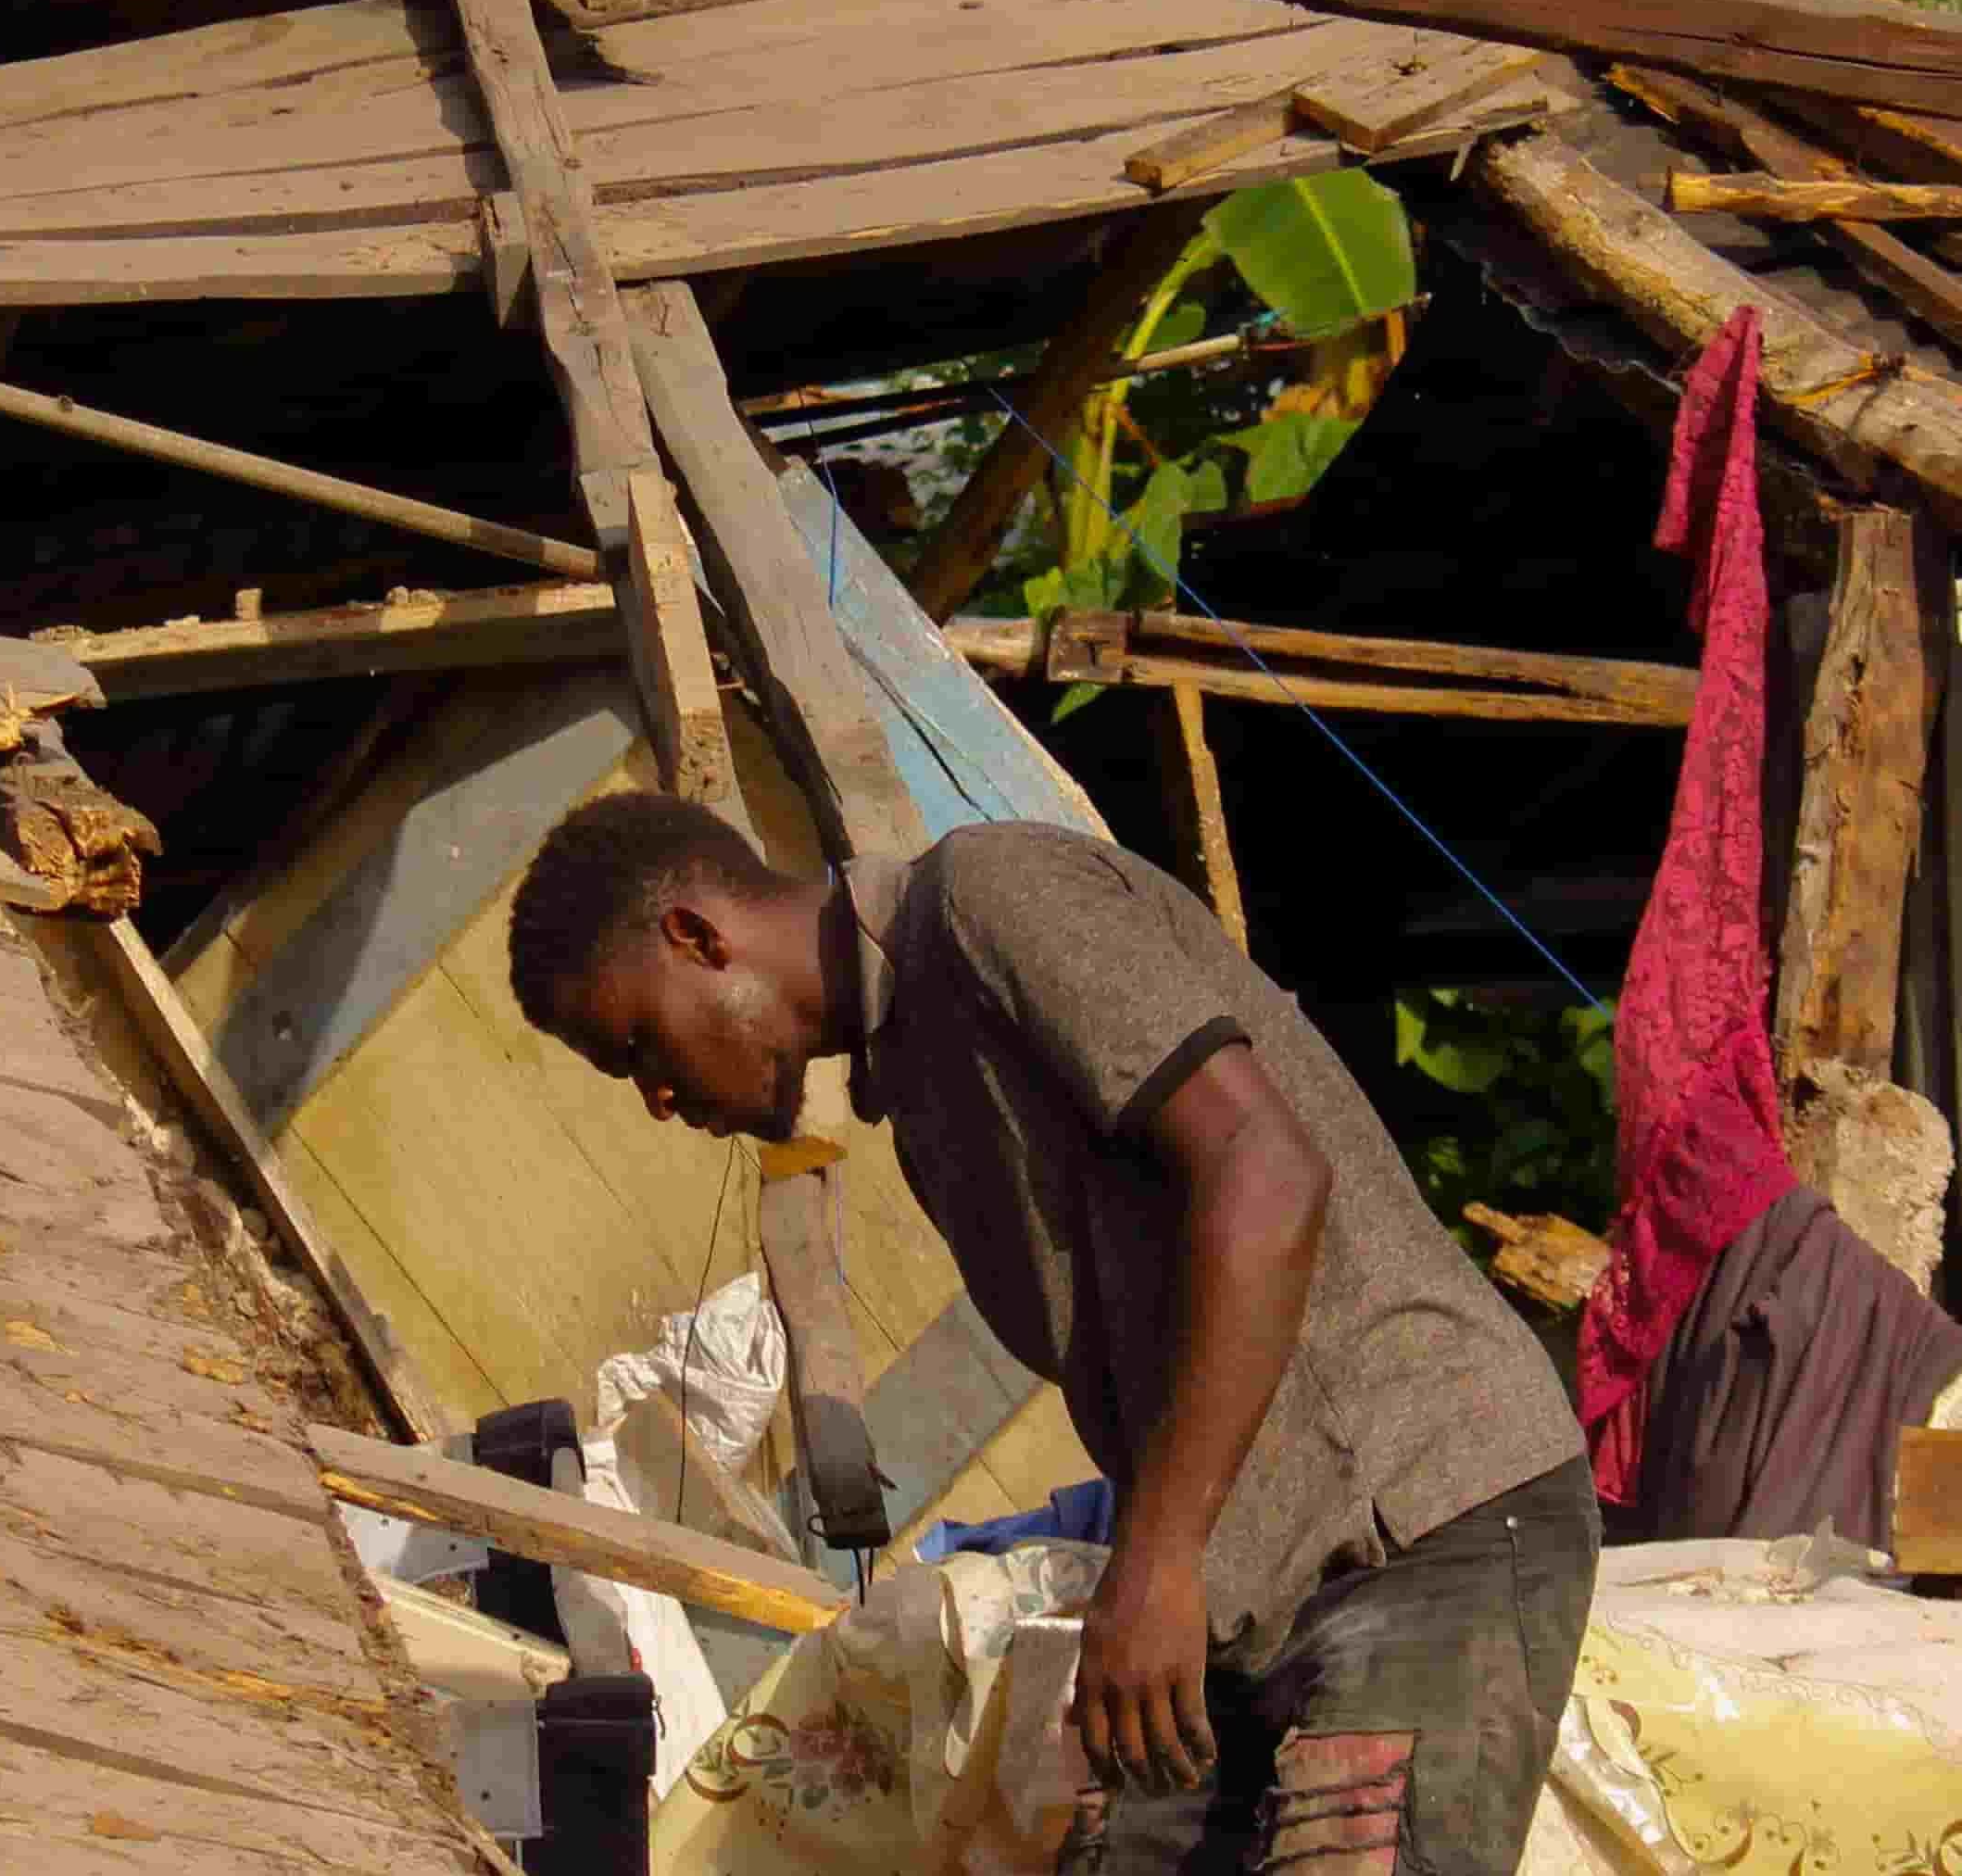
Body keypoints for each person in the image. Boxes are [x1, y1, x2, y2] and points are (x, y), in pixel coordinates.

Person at [506, 796, 1595, 1874]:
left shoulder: (990, 897)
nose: (654, 1095)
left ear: (696, 936)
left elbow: (1265, 1170)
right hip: (1253, 1586)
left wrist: (1157, 1557)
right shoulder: (914, 1079)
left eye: (638, 1043)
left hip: (1419, 1515)